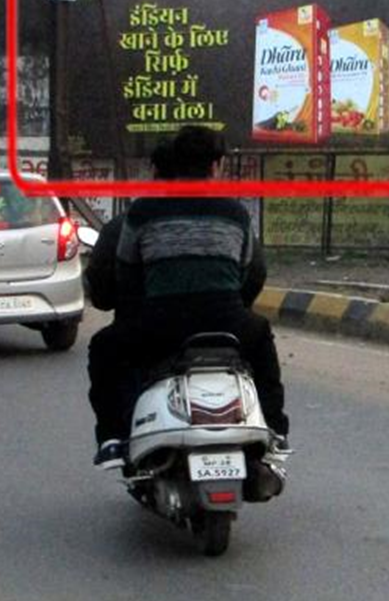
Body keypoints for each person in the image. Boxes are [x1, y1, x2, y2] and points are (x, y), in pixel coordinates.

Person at [86, 126, 287, 469]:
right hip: (228, 322)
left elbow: (127, 272)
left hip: (159, 325)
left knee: (103, 348)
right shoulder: (235, 213)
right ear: (216, 166)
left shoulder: (142, 213)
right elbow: (246, 271)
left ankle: (114, 439)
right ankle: (275, 432)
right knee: (262, 343)